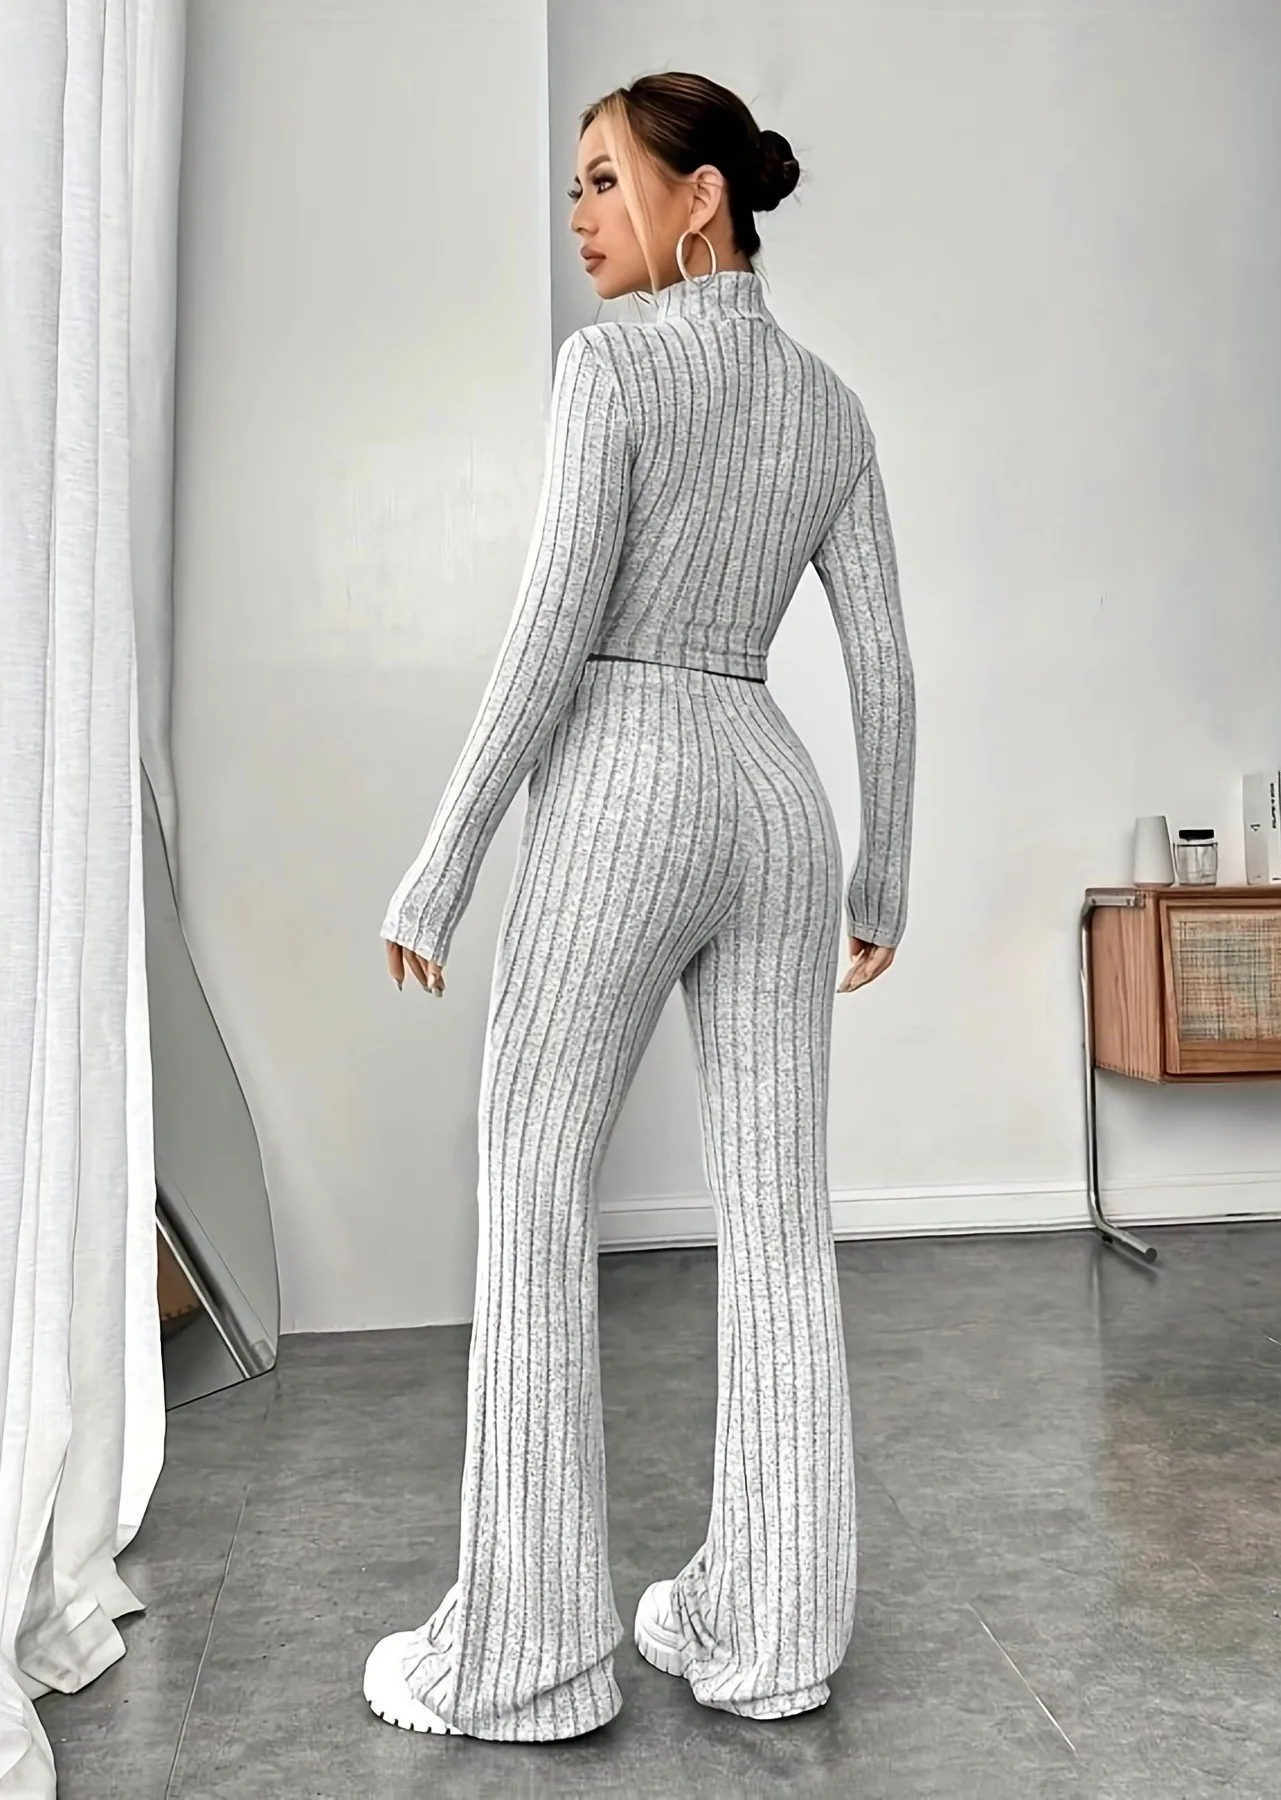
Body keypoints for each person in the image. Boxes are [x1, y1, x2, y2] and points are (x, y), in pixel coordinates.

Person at [362, 70, 916, 1743]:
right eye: (574, 185)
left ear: (701, 199)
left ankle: (527, 1654)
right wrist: (884, 870)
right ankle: (769, 1632)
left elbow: (550, 633)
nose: (579, 213)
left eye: (605, 179)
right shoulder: (829, 407)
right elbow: (882, 665)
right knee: (778, 1218)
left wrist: (445, 855)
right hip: (776, 794)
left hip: (627, 778)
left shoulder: (606, 367)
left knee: (533, 1184)